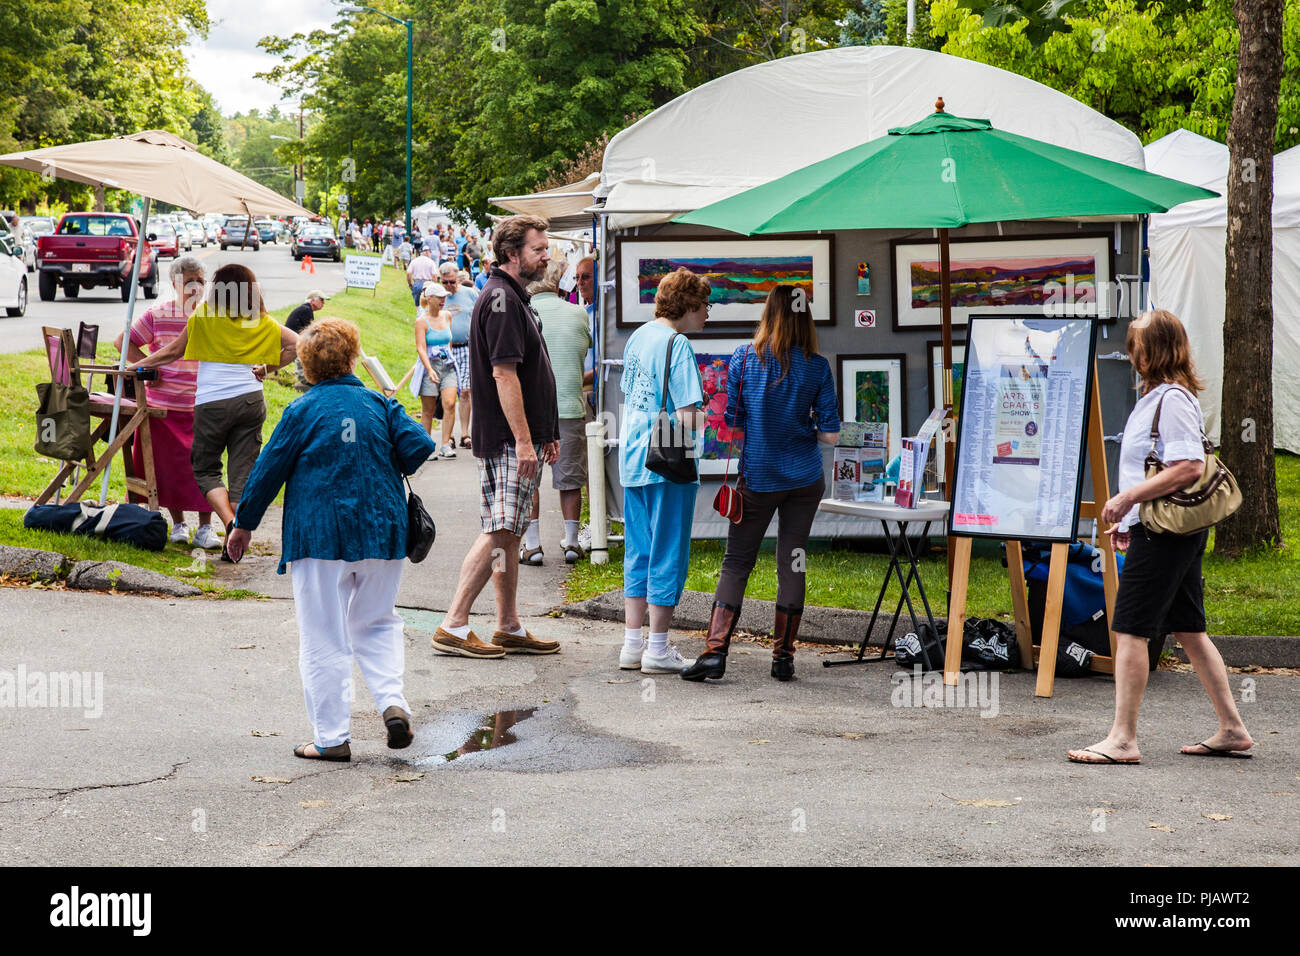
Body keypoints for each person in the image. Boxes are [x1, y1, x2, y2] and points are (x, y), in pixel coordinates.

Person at [226, 318, 436, 761]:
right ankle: (391, 701)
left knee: (324, 633)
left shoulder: (301, 411)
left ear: (306, 365)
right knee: (377, 621)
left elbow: (267, 471)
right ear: (354, 357)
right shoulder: (378, 404)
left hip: (318, 534)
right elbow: (419, 446)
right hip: (383, 529)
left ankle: (332, 738)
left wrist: (243, 524)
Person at [1068, 309, 1254, 765]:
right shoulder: (1161, 397)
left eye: (1137, 345)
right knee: (1190, 629)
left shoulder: (1171, 399)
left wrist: (1125, 499)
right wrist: (1130, 522)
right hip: (1166, 531)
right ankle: (1232, 727)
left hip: (1167, 535)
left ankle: (1123, 739)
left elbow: (1187, 467)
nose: (1131, 353)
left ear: (1153, 351)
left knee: (1130, 627)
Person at [681, 285, 840, 683]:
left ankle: (715, 653)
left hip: (759, 479)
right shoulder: (817, 366)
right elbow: (831, 436)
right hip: (805, 480)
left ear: (768, 313)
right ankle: (783, 659)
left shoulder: (744, 359)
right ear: (806, 316)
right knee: (793, 561)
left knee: (737, 563)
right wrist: (802, 424)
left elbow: (732, 424)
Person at [432, 214, 561, 660]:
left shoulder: (511, 296)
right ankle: (454, 623)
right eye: (538, 249)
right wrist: (525, 441)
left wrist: (545, 433)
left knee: (511, 530)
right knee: (500, 527)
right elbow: (505, 376)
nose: (546, 255)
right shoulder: (503, 299)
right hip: (509, 440)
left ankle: (507, 625)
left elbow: (530, 373)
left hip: (517, 437)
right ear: (512, 254)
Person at [135, 263, 297, 562]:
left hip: (212, 403)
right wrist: (267, 368)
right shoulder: (258, 321)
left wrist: (136, 366)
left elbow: (172, 351)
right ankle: (235, 537)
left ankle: (229, 523)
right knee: (241, 473)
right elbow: (297, 345)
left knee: (206, 469)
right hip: (251, 400)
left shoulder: (203, 318)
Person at [617, 267, 710, 675]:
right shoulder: (679, 344)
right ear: (688, 306)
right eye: (705, 305)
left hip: (634, 453)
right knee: (668, 550)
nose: (708, 313)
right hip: (669, 455)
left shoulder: (639, 336)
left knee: (639, 549)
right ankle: (658, 648)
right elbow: (688, 418)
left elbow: (632, 396)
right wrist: (713, 419)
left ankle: (632, 644)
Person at [112, 255, 220, 550]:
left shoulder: (213, 317)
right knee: (165, 469)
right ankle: (179, 524)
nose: (195, 287)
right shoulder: (158, 314)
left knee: (202, 467)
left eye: (200, 281)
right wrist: (149, 369)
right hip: (163, 407)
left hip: (201, 405)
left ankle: (206, 528)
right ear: (175, 284)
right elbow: (123, 342)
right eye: (189, 282)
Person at [521, 259, 592, 565]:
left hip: (532, 410)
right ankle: (573, 542)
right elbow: (584, 351)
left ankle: (533, 545)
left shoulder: (524, 313)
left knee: (529, 479)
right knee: (570, 479)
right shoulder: (578, 312)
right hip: (570, 405)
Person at [412, 283, 459, 459]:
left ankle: (446, 444)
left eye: (444, 297)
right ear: (429, 299)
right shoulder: (421, 321)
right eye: (439, 297)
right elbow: (421, 348)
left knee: (450, 403)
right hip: (429, 367)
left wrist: (450, 357)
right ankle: (427, 446)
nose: (443, 300)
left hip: (447, 366)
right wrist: (429, 369)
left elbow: (449, 341)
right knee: (428, 410)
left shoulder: (447, 316)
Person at [439, 261, 479, 449]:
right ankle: (448, 435)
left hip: (466, 347)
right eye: (445, 282)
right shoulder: (438, 297)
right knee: (448, 395)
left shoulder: (470, 293)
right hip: (445, 350)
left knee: (465, 391)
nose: (448, 286)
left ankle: (464, 433)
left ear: (458, 278)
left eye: (452, 282)